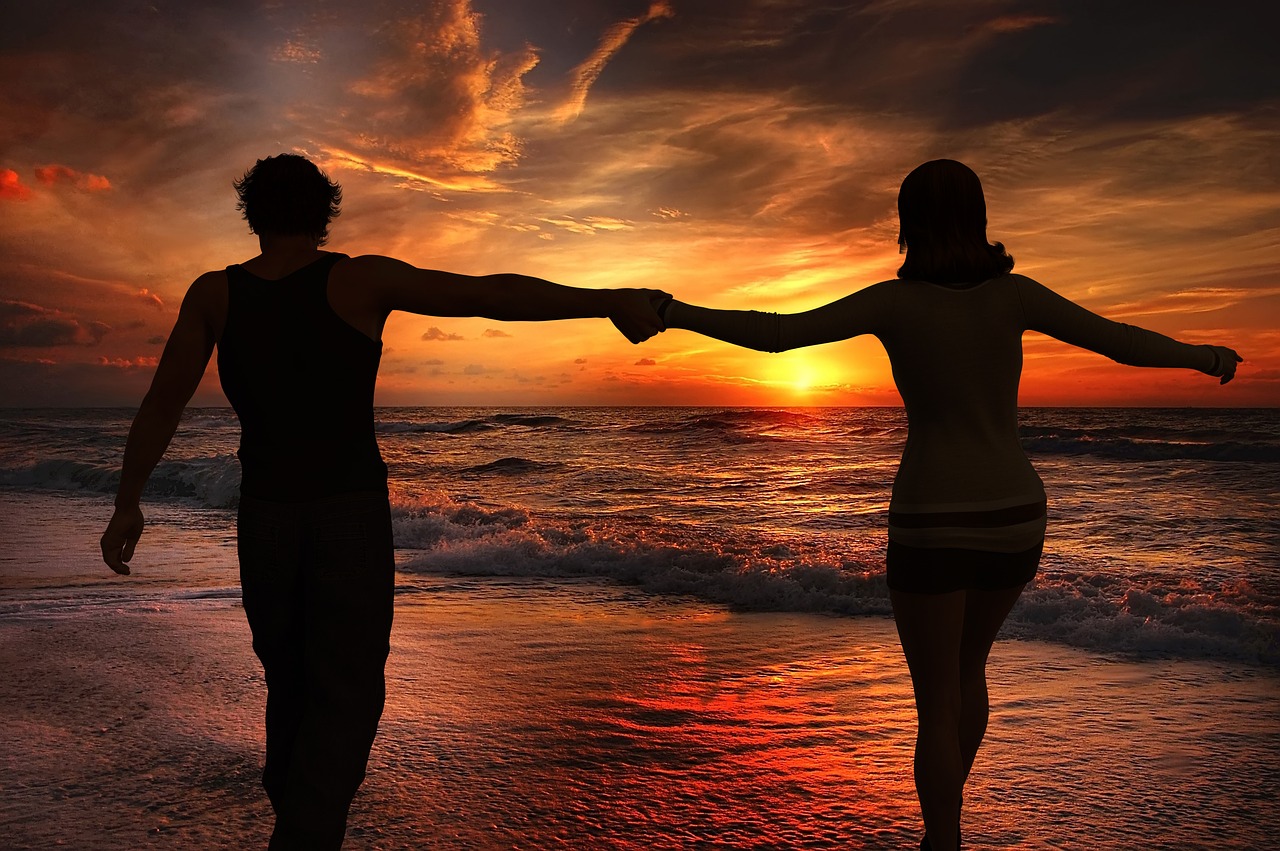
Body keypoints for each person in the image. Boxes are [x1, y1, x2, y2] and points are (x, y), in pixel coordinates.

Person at [652, 159, 1241, 849]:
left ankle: (944, 839)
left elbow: (778, 333)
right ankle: (945, 831)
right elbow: (1119, 340)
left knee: (936, 704)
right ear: (978, 217)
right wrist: (1205, 355)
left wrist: (674, 311)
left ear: (909, 225)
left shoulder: (894, 303)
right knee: (969, 671)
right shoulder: (1015, 296)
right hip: (1016, 515)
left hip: (932, 516)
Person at [99, 153, 666, 849]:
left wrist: (129, 500)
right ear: (324, 211)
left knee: (293, 684)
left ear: (252, 213)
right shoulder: (357, 279)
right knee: (347, 693)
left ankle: (299, 819)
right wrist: (606, 299)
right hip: (347, 516)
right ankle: (304, 834)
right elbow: (491, 293)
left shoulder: (215, 294)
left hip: (266, 517)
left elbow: (162, 403)